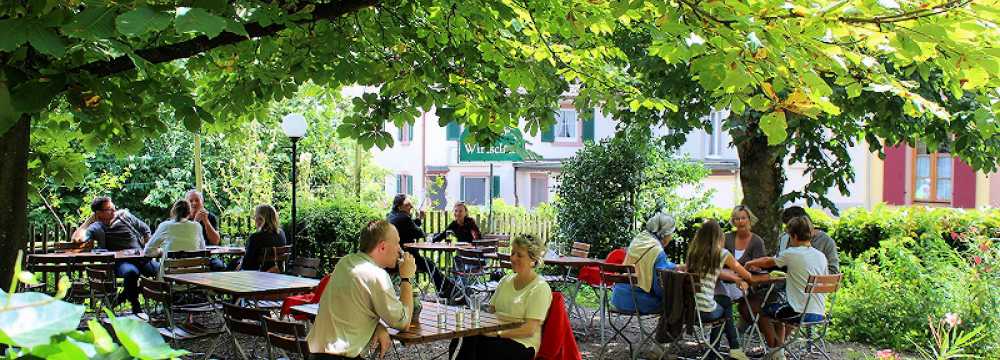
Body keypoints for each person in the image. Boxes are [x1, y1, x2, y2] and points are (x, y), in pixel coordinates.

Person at [307, 220, 417, 360]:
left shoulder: (345, 262)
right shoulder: (376, 275)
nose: (399, 249)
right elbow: (404, 322)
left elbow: (350, 309)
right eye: (397, 243)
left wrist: (376, 326)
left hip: (315, 354)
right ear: (382, 247)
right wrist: (406, 278)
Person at [449, 234, 552, 360]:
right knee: (468, 336)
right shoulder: (505, 281)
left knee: (482, 346)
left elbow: (529, 329)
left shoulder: (540, 287)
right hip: (497, 336)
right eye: (512, 253)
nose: (513, 258)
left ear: (533, 260)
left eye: (519, 255)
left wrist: (497, 334)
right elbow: (491, 312)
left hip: (522, 343)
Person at [745, 216, 829, 360]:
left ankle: (774, 350)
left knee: (762, 310)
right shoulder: (821, 256)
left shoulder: (792, 253)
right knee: (780, 307)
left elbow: (767, 261)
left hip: (799, 313)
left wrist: (748, 264)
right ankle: (779, 352)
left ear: (794, 236)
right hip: (819, 312)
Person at [77, 196, 157, 315]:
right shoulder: (96, 226)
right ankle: (136, 306)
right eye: (109, 209)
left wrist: (147, 246)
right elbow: (77, 239)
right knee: (131, 273)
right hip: (121, 262)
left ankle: (121, 298)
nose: (114, 210)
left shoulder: (124, 215)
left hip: (141, 258)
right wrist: (89, 220)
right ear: (99, 213)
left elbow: (145, 229)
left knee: (161, 270)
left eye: (113, 207)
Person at [686, 220, 753, 360]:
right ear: (719, 237)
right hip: (705, 311)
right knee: (726, 304)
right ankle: (733, 348)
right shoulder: (722, 254)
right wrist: (742, 276)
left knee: (723, 302)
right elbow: (746, 275)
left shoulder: (693, 252)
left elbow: (707, 271)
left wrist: (729, 275)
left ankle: (716, 352)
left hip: (688, 310)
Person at [387, 194, 458, 302]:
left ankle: (447, 290)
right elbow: (419, 233)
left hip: (392, 258)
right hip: (405, 258)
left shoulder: (391, 216)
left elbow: (409, 227)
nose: (411, 207)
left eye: (411, 205)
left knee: (429, 264)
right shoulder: (404, 217)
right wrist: (426, 234)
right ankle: (449, 291)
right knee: (430, 265)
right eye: (408, 205)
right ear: (399, 206)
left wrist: (419, 219)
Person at [611, 212, 678, 315]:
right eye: (671, 234)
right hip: (636, 301)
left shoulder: (639, 239)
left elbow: (646, 264)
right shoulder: (657, 251)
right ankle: (669, 331)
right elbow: (659, 289)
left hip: (618, 298)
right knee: (673, 304)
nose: (671, 237)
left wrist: (674, 266)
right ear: (665, 235)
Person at [718, 205, 767, 330]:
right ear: (733, 221)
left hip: (746, 284)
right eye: (737, 219)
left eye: (743, 218)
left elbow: (761, 266)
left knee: (749, 300)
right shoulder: (726, 238)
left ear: (750, 219)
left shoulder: (757, 241)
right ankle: (725, 332)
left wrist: (756, 268)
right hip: (723, 282)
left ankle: (738, 330)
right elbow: (718, 262)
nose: (740, 222)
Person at [776, 206, 840, 274]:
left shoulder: (826, 242)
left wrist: (809, 275)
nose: (788, 233)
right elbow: (778, 263)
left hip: (813, 283)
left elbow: (834, 271)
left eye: (793, 229)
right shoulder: (784, 238)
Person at [237, 204, 287, 271]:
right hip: (276, 274)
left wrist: (240, 262)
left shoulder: (255, 237)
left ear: (261, 218)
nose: (254, 219)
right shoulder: (281, 234)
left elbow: (247, 265)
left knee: (231, 265)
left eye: (255, 216)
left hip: (258, 274)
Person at [186, 190, 226, 271]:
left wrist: (206, 221)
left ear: (202, 202)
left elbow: (215, 241)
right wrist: (196, 221)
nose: (194, 203)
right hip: (187, 257)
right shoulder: (182, 218)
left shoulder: (211, 217)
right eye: (190, 201)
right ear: (186, 203)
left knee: (219, 266)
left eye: (197, 200)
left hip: (207, 257)